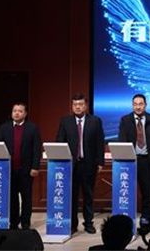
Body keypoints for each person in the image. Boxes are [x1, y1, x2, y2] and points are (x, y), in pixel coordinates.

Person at [56, 93, 105, 234]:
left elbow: (99, 142)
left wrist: (100, 162)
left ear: (86, 106)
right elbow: (60, 141)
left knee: (88, 195)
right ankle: (72, 224)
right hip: (70, 165)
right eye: (75, 104)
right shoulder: (65, 121)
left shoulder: (95, 121)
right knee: (72, 195)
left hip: (89, 164)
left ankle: (88, 223)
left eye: (80, 104)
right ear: (72, 106)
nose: (78, 107)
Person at [0, 102, 42, 230]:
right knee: (12, 198)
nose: (16, 113)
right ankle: (14, 222)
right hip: (9, 170)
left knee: (26, 198)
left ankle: (25, 222)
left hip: (26, 170)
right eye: (14, 111)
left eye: (20, 111)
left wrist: (35, 167)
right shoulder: (4, 128)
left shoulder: (32, 128)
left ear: (25, 114)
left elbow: (37, 149)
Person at [118, 93, 150, 220]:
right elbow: (122, 141)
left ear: (145, 105)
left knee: (147, 192)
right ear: (132, 106)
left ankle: (145, 218)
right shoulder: (125, 120)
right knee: (128, 191)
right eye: (135, 104)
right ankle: (127, 219)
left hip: (147, 161)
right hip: (130, 161)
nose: (138, 107)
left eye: (140, 104)